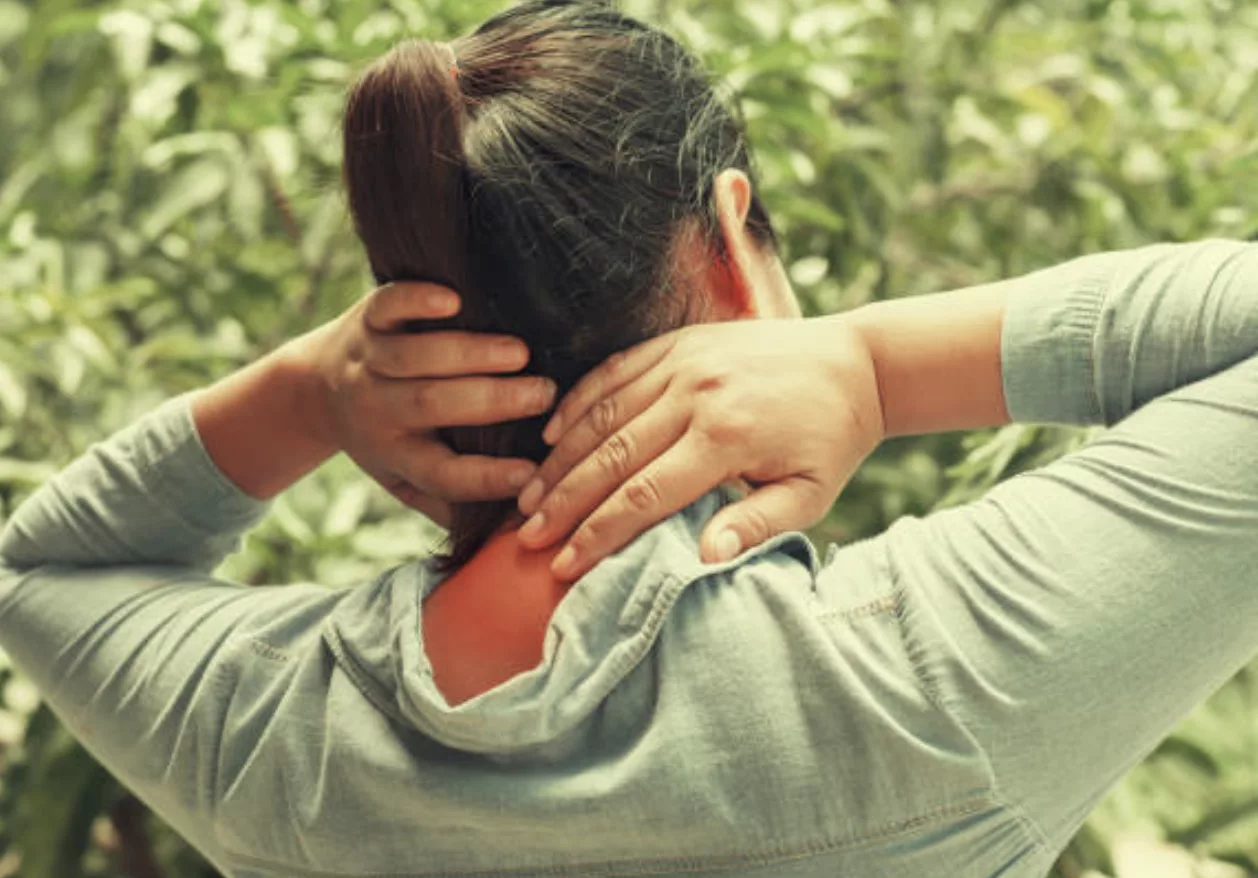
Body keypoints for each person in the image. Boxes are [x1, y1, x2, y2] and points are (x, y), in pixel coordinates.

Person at [2, 0, 1257, 875]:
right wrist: (871, 370)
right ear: (730, 243)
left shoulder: (279, 740)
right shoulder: (923, 687)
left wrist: (306, 392)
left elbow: (43, 568)